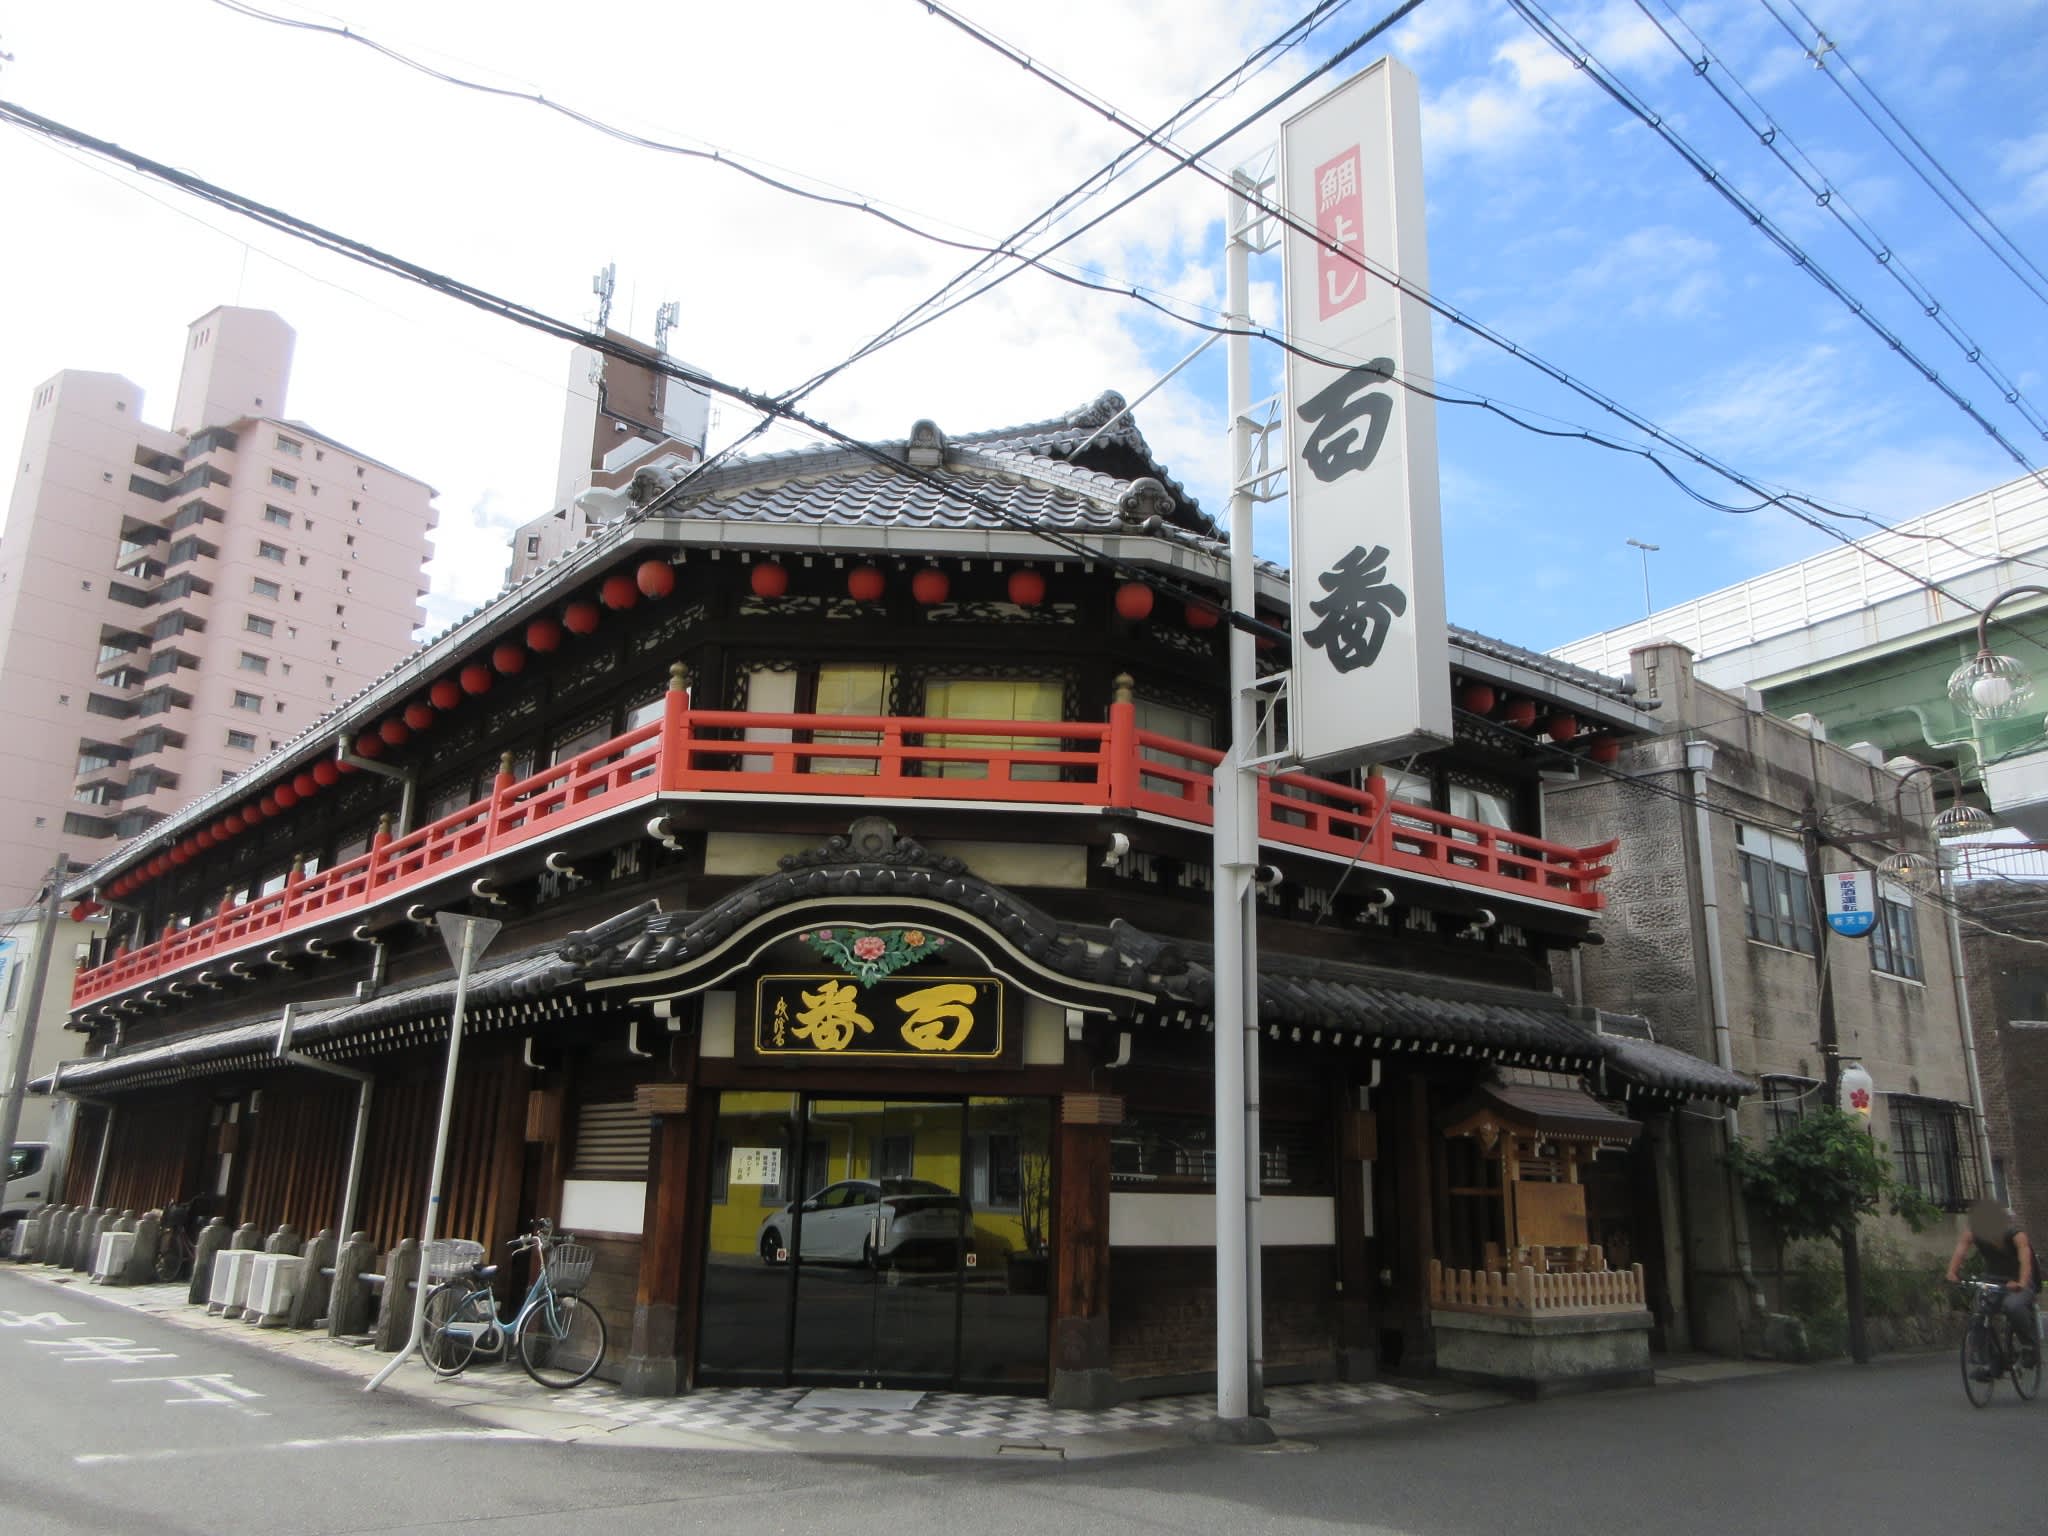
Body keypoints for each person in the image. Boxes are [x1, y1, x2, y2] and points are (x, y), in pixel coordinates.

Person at [1947, 1198, 2038, 1379]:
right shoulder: (1974, 1232)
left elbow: (2025, 1261)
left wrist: (2020, 1282)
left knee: (2013, 1307)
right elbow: (1960, 1250)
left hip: (2019, 1281)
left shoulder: (2016, 1235)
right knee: (1979, 1314)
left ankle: (2029, 1348)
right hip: (1993, 1280)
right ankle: (1987, 1361)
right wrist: (1952, 1272)